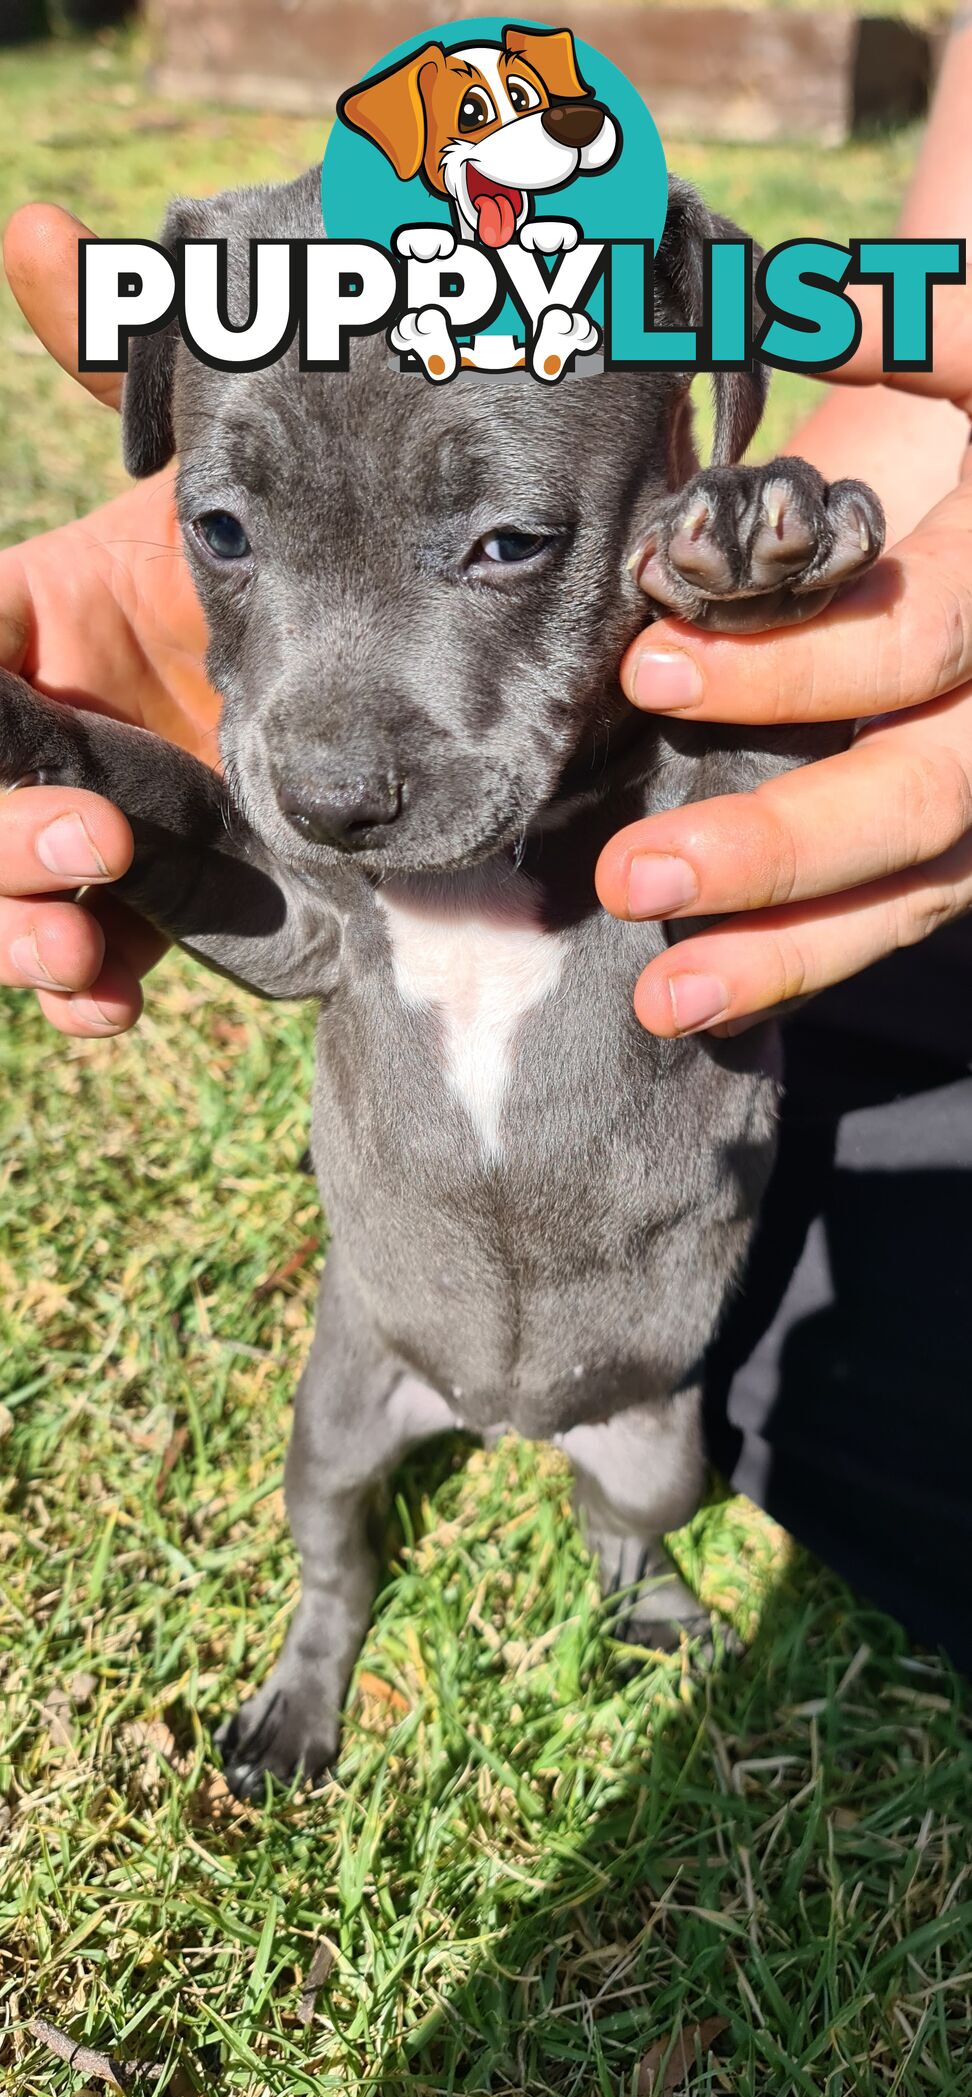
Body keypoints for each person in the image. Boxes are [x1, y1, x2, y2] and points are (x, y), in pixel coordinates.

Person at [2, 24, 971, 1656]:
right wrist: (38, 741)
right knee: (326, 1477)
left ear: (702, 402)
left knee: (799, 1461)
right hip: (396, 1325)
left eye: (507, 538)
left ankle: (629, 1564)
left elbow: (755, 766)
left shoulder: (679, 711)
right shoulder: (314, 788)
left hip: (642, 1338)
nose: (325, 754)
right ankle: (324, 1622)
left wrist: (804, 551)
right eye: (227, 531)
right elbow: (277, 906)